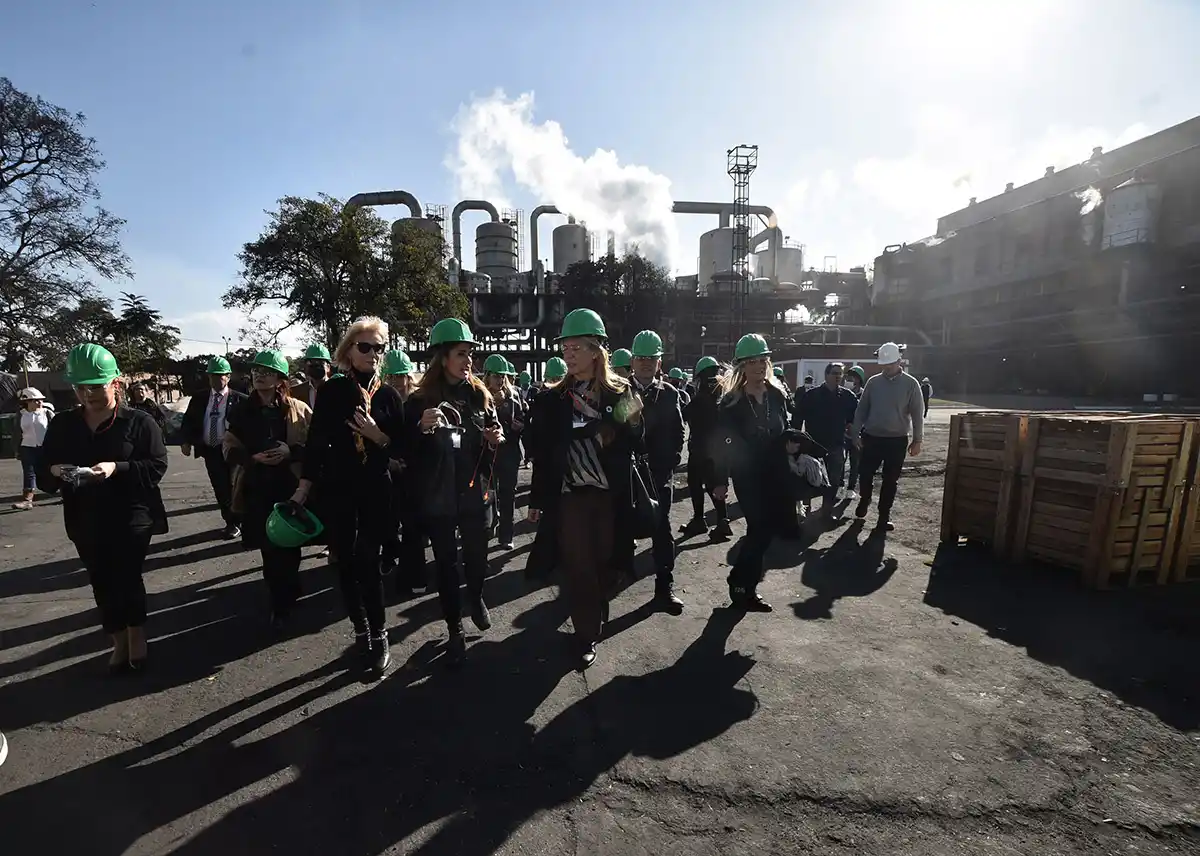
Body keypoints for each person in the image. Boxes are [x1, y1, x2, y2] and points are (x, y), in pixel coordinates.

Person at [39, 344, 168, 672]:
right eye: (80, 388)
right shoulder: (63, 425)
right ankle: (117, 638)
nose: (87, 394)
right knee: (100, 579)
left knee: (127, 575)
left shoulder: (139, 422)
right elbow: (43, 470)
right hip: (84, 517)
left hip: (131, 516)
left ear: (116, 383)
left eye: (95, 386)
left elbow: (155, 466)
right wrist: (58, 472)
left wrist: (116, 468)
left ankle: (136, 634)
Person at [527, 308, 643, 669]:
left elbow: (638, 441)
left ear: (596, 351)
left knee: (608, 564)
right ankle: (586, 634)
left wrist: (627, 421)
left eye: (577, 346)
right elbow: (542, 455)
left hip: (611, 497)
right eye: (566, 347)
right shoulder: (552, 399)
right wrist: (536, 499)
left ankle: (595, 607)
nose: (569, 353)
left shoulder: (621, 391)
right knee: (578, 567)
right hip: (570, 497)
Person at [292, 317, 408, 674]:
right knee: (343, 562)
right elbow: (315, 443)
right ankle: (361, 630)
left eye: (379, 348)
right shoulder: (334, 390)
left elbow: (401, 448)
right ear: (349, 350)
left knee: (368, 561)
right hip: (339, 488)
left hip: (375, 488)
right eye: (365, 346)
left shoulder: (388, 395)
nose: (373, 353)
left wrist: (378, 436)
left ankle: (380, 633)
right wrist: (303, 487)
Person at [405, 319, 503, 665]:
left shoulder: (479, 394)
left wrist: (494, 440)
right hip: (439, 497)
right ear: (442, 356)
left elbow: (491, 434)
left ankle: (475, 596)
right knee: (446, 564)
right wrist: (420, 429)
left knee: (477, 557)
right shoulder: (419, 401)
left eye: (470, 354)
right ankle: (454, 627)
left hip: (475, 492)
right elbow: (405, 451)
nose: (469, 362)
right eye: (462, 354)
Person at [223, 350, 313, 630]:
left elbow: (317, 445)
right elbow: (228, 448)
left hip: (289, 485)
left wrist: (292, 451)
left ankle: (290, 586)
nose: (260, 376)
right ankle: (279, 604)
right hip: (256, 487)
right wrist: (252, 459)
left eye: (267, 372)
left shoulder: (297, 409)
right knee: (268, 547)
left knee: (289, 545)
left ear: (280, 379)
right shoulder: (241, 410)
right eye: (256, 371)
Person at [713, 334, 793, 612]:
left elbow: (785, 428)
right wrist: (720, 481)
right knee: (759, 529)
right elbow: (722, 444)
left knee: (766, 532)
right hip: (747, 476)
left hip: (775, 473)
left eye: (763, 360)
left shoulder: (777, 395)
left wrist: (793, 445)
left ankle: (746, 586)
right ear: (742, 366)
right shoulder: (731, 403)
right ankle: (740, 583)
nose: (760, 366)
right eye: (753, 361)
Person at [628, 330, 685, 613]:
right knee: (623, 530)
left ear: (659, 362)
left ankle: (664, 588)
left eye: (652, 359)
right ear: (632, 361)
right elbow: (615, 429)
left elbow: (678, 430)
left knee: (663, 531)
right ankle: (613, 584)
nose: (646, 363)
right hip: (629, 474)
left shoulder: (669, 393)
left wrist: (671, 459)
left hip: (660, 473)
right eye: (641, 358)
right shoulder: (621, 391)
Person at [852, 342, 924, 533]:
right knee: (865, 474)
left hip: (896, 440)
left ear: (899, 361)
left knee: (890, 480)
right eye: (883, 365)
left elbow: (917, 413)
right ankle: (865, 499)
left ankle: (884, 517)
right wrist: (855, 433)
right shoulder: (873, 383)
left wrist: (917, 440)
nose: (886, 368)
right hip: (872, 437)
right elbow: (862, 409)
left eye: (890, 365)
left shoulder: (911, 384)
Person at [180, 356, 247, 539]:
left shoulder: (240, 399)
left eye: (220, 376)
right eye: (212, 376)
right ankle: (231, 522)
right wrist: (186, 441)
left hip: (233, 451)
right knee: (220, 487)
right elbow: (189, 421)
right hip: (211, 450)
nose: (216, 380)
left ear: (228, 376)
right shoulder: (200, 398)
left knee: (235, 486)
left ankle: (241, 520)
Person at [379, 349, 426, 596]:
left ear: (409, 376)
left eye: (400, 376)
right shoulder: (379, 400)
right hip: (387, 471)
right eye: (391, 377)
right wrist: (388, 460)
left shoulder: (419, 402)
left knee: (413, 527)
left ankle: (414, 575)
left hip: (414, 472)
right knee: (387, 522)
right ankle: (389, 555)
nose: (396, 381)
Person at [793, 362, 859, 523]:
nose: (838, 376)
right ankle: (805, 509)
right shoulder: (811, 396)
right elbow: (797, 418)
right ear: (826, 375)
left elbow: (854, 418)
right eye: (835, 373)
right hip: (813, 444)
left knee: (834, 480)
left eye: (840, 373)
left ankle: (827, 512)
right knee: (811, 478)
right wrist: (795, 440)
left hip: (836, 444)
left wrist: (854, 433)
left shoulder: (847, 396)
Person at [680, 357, 733, 540]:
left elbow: (685, 414)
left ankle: (699, 520)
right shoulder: (723, 398)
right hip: (719, 451)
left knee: (696, 484)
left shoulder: (700, 398)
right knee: (715, 485)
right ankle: (723, 520)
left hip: (700, 450)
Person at [12, 387, 52, 510]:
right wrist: (16, 449)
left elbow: (56, 430)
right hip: (27, 447)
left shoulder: (47, 413)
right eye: (35, 400)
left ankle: (64, 492)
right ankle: (27, 500)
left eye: (40, 400)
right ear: (27, 402)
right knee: (29, 473)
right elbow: (16, 433)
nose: (39, 403)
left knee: (52, 470)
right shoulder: (21, 415)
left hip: (45, 447)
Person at [844, 365, 866, 500]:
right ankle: (840, 485)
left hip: (857, 433)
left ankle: (851, 488)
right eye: (850, 377)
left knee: (855, 462)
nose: (851, 379)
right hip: (844, 433)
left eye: (854, 377)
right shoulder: (844, 393)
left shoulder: (863, 394)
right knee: (841, 461)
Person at [292, 344, 334, 412]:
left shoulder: (340, 391)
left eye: (320, 363)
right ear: (305, 367)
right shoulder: (295, 392)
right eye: (310, 362)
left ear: (328, 367)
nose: (315, 366)